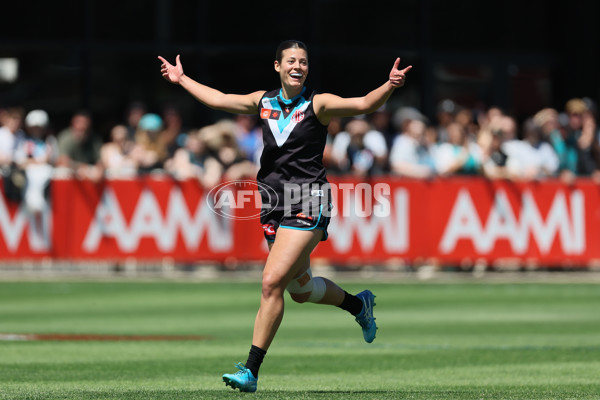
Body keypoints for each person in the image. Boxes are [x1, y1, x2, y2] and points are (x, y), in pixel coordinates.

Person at [158, 40, 412, 392]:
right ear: (276, 66)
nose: (298, 66)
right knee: (300, 290)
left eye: (303, 62)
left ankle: (250, 371)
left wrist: (389, 85)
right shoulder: (264, 101)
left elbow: (364, 104)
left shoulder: (318, 103)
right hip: (273, 202)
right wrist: (181, 80)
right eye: (291, 60)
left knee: (270, 282)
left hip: (309, 199)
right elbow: (219, 98)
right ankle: (358, 304)